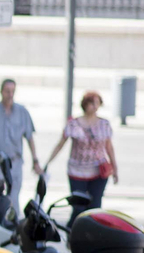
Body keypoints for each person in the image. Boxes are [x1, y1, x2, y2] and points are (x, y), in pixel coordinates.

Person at [44, 90, 118, 218]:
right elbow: (60, 144)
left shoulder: (104, 124)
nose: (95, 107)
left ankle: (92, 235)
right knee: (78, 208)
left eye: (97, 103)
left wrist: (115, 169)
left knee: (95, 207)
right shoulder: (74, 124)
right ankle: (74, 232)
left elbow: (109, 147)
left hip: (98, 171)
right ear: (85, 105)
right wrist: (48, 162)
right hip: (77, 171)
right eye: (92, 103)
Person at [0, 78, 41, 208]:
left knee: (13, 200)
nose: (10, 95)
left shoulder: (22, 112)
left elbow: (29, 137)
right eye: (7, 91)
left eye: (12, 91)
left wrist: (35, 160)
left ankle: (12, 226)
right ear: (1, 92)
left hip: (14, 163)